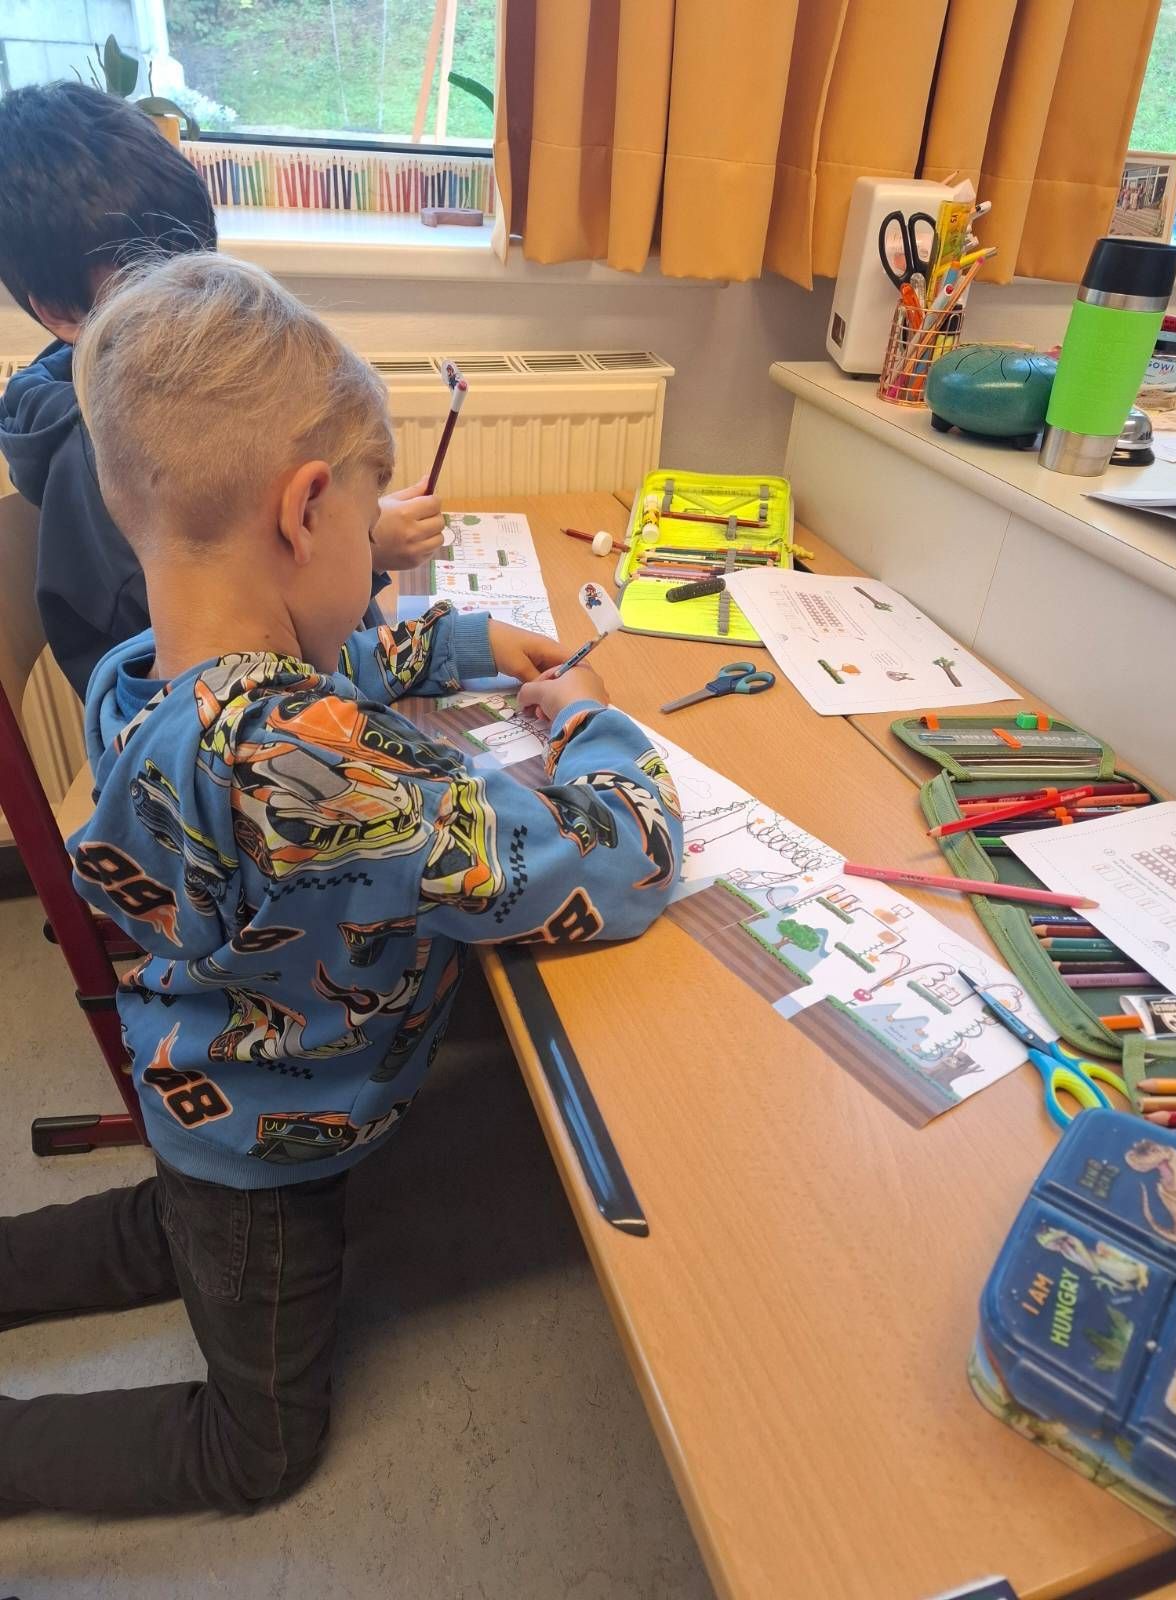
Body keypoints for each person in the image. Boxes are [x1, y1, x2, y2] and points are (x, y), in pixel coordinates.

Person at [0, 251, 682, 1515]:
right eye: (370, 535)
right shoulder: (317, 770)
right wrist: (598, 724)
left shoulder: (145, 671)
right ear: (307, 509)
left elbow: (312, 666)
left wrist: (463, 638)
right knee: (256, 1448)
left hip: (198, 1091)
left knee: (174, 1226)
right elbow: (614, 856)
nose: (374, 563)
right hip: (265, 1154)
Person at [0, 82, 442, 701]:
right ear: (57, 309)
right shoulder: (113, 457)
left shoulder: (167, 392)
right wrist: (361, 547)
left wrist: (354, 528)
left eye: (199, 260)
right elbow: (269, 672)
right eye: (152, 280)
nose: (198, 298)